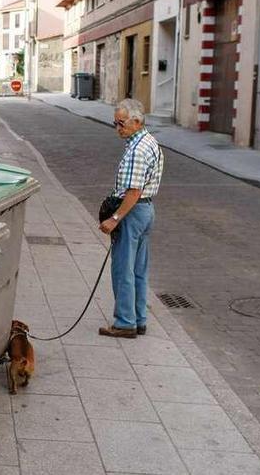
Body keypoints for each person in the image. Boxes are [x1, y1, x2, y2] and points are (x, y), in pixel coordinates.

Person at [98, 99, 164, 339]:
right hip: (145, 211)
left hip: (132, 212)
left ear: (137, 121)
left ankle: (125, 323)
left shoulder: (137, 150)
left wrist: (114, 218)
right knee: (138, 269)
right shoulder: (149, 142)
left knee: (122, 269)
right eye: (115, 123)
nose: (118, 127)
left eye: (121, 123)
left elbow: (133, 191)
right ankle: (139, 319)